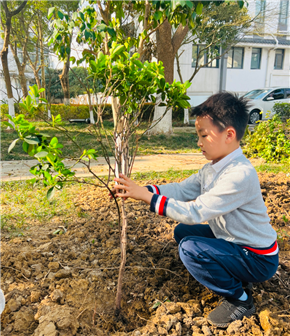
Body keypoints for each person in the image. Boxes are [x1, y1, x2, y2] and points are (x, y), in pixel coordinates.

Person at [112, 92, 279, 328]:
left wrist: (146, 197)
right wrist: (140, 190)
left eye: (204, 135)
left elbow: (195, 211)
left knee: (190, 249)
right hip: (235, 242)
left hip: (257, 258)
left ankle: (240, 299)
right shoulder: (212, 168)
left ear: (229, 135)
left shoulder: (239, 175)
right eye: (197, 135)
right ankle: (236, 276)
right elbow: (181, 190)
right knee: (183, 232)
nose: (199, 142)